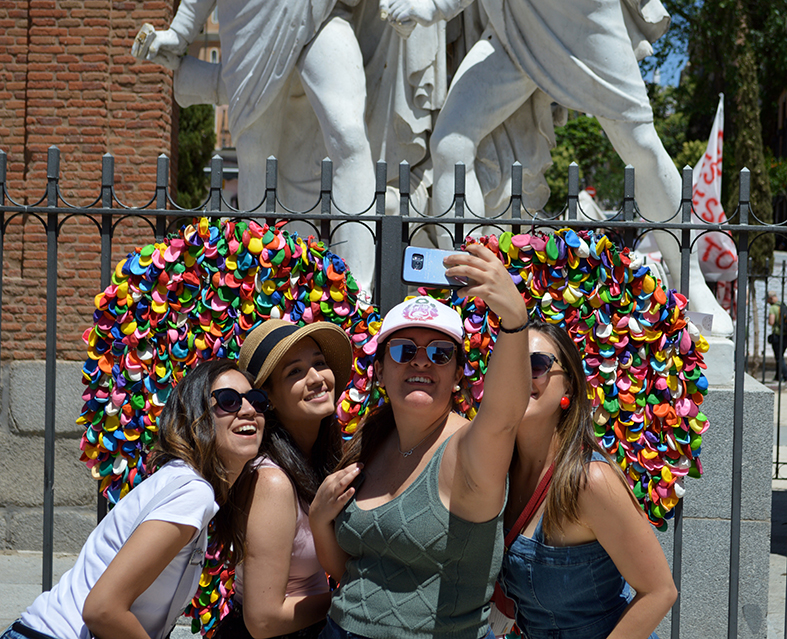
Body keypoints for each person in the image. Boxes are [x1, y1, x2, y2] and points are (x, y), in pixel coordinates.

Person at [383, 0, 734, 338]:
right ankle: (469, 284)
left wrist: (432, 6)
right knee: (451, 144)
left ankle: (694, 286)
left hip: (580, 18)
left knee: (640, 144)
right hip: (518, 23)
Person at [309, 242, 532, 639]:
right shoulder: (370, 442)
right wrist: (318, 520)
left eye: (441, 353)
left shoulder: (468, 450)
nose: (421, 360)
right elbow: (352, 573)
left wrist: (515, 320)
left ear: (459, 374)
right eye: (403, 349)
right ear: (380, 370)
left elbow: (503, 419)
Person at [2, 359, 265, 639]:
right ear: (195, 416)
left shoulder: (183, 481)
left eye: (256, 400)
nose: (248, 410)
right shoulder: (192, 492)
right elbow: (103, 610)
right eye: (228, 401)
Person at [497, 321, 677, 639]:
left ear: (568, 386)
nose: (520, 375)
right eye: (508, 363)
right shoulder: (500, 472)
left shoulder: (589, 481)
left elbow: (660, 592)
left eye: (536, 364)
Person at [212, 320, 353, 639]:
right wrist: (359, 600)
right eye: (295, 372)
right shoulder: (271, 481)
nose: (316, 378)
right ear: (268, 398)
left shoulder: (319, 461)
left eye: (319, 363)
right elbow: (263, 620)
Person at [768, 291, 787, 382]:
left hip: (777, 335)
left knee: (779, 357)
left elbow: (771, 322)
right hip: (785, 335)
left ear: (771, 298)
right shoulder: (783, 306)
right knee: (780, 356)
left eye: (768, 299)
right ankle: (778, 376)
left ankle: (785, 375)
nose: (767, 301)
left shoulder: (773, 308)